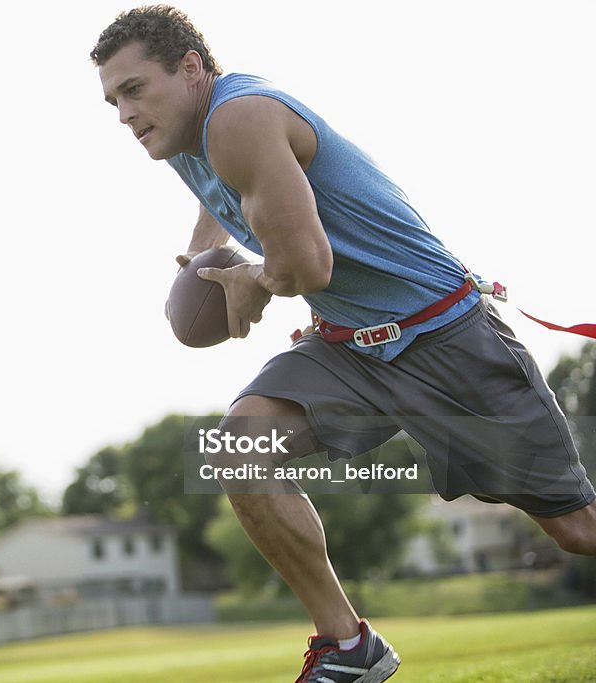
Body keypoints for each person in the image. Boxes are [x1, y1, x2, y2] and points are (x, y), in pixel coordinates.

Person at [90, 6, 596, 682]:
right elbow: (225, 193)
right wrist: (202, 261)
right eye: (112, 99)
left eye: (133, 89)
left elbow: (309, 267)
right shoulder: (186, 140)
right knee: (243, 447)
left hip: (442, 337)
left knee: (579, 532)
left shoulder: (241, 117)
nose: (124, 113)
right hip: (353, 349)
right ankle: (348, 645)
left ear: (190, 69)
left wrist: (251, 280)